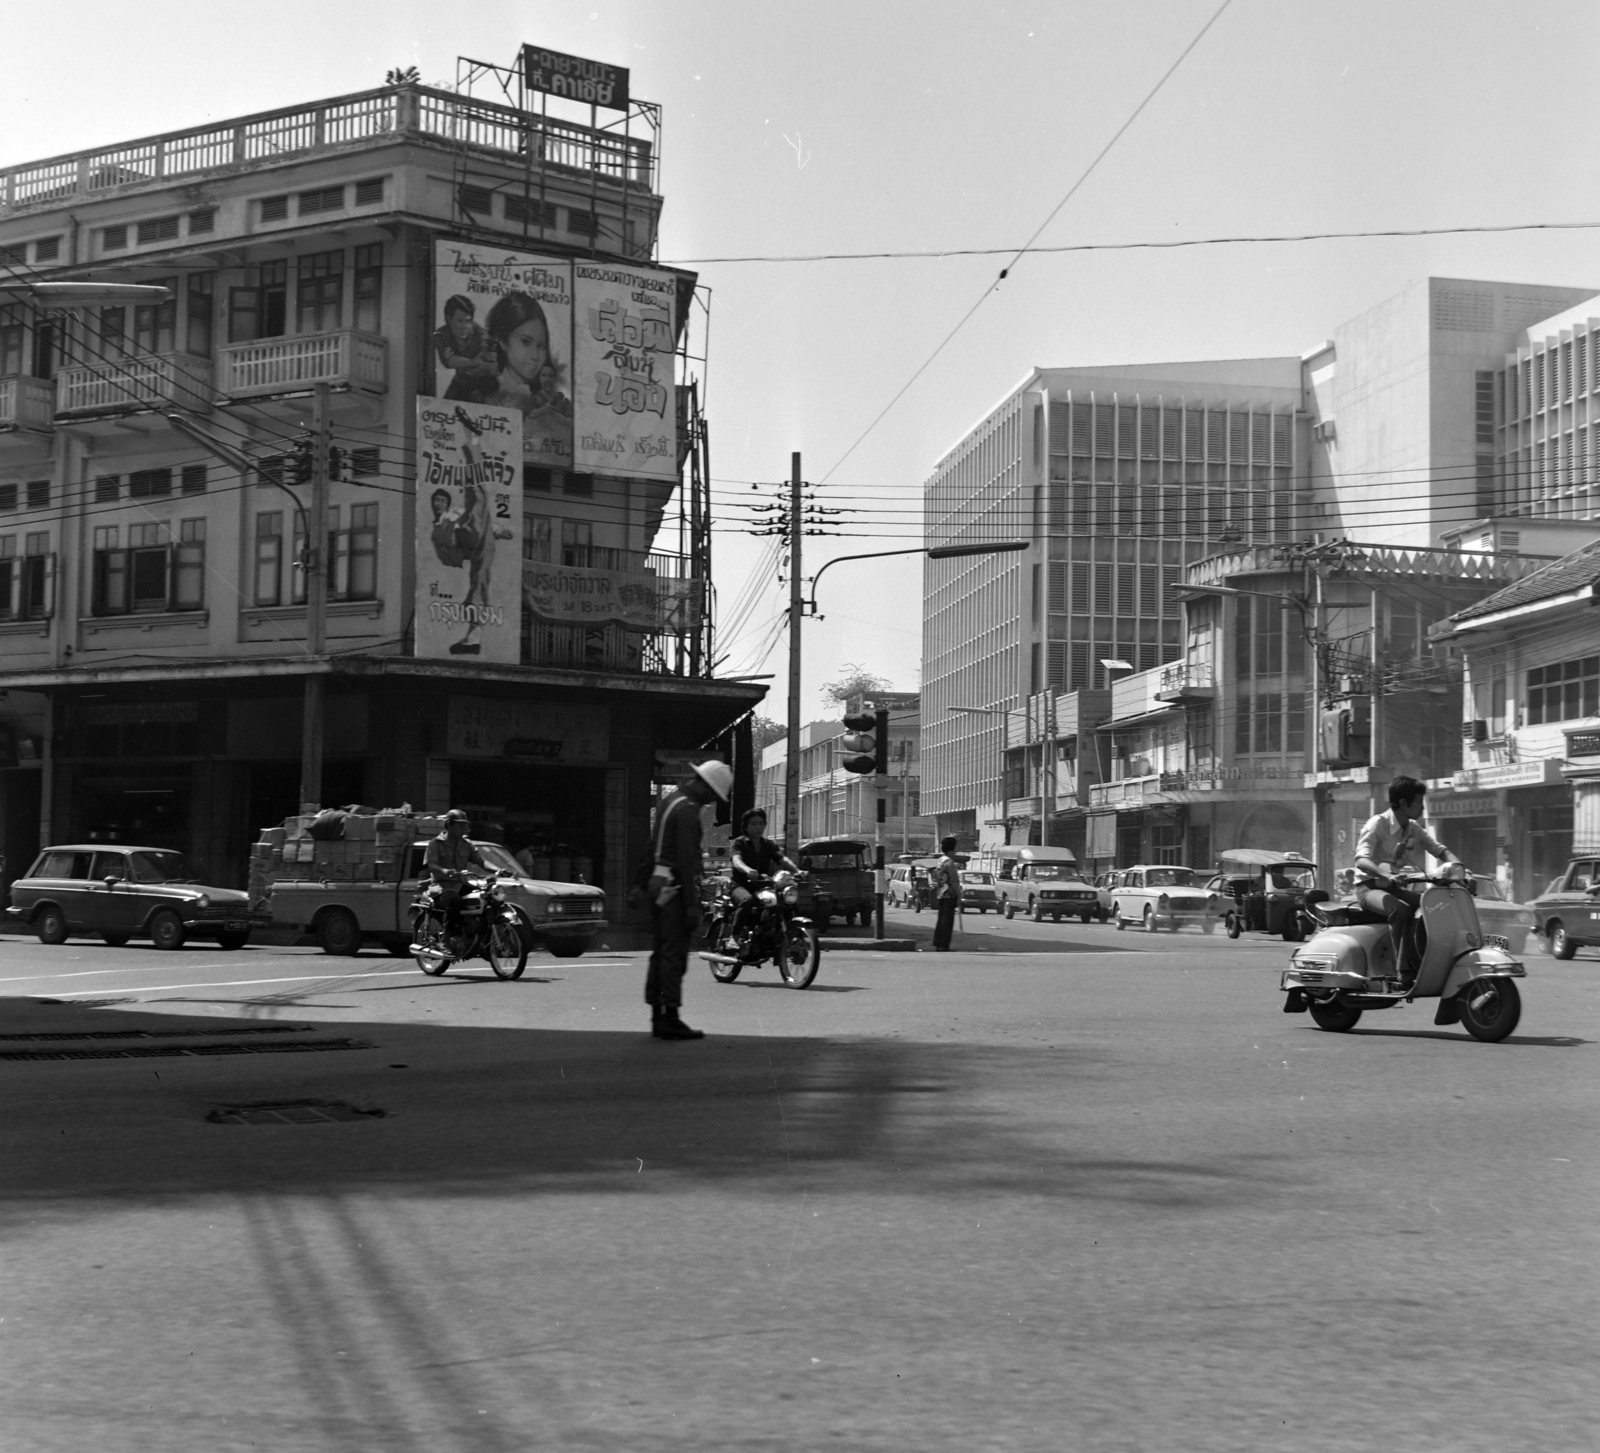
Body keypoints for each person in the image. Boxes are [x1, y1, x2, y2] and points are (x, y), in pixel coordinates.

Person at [646, 761, 733, 1040]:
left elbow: (652, 847)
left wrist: (639, 883)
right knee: (674, 955)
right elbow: (686, 860)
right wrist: (692, 905)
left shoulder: (670, 801)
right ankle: (670, 1018)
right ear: (704, 786)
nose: (710, 801)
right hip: (674, 886)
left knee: (661, 953)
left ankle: (658, 1016)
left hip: (658, 883)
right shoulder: (687, 811)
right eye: (712, 794)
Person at [1354, 776, 1462, 982]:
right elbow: (1361, 860)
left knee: (1429, 904)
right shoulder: (1377, 824)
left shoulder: (1412, 828)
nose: (1423, 808)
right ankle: (1401, 971)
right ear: (1403, 803)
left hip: (1392, 887)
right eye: (1419, 802)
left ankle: (1419, 958)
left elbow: (1440, 851)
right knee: (1401, 910)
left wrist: (1462, 871)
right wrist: (1385, 875)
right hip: (1368, 888)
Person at [482, 290, 574, 464]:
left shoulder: (551, 410)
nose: (535, 355)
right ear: (502, 341)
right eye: (526, 342)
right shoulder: (481, 400)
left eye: (541, 346)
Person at [727, 808, 797, 953]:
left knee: (786, 900)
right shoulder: (738, 843)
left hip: (761, 886)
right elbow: (736, 861)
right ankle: (734, 937)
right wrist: (747, 870)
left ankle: (790, 935)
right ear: (746, 826)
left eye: (760, 823)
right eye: (753, 824)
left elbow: (782, 858)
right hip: (740, 885)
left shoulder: (768, 845)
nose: (758, 827)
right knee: (747, 900)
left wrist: (798, 870)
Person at [424, 809, 488, 936]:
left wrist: (499, 870)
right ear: (449, 825)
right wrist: (445, 871)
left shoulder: (467, 844)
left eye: (465, 824)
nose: (464, 828)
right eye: (460, 824)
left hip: (461, 884)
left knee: (484, 897)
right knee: (455, 901)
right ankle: (446, 940)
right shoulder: (435, 844)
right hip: (441, 887)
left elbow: (481, 862)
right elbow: (432, 866)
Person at [432, 295, 499, 401]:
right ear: (449, 319)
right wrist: (474, 362)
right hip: (464, 384)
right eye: (460, 320)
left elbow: (485, 345)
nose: (465, 326)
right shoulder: (440, 334)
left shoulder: (478, 332)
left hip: (485, 383)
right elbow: (450, 360)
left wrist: (486, 355)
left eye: (468, 321)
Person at [932, 836, 961, 951]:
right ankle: (944, 945)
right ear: (951, 849)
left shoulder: (939, 861)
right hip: (949, 895)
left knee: (941, 919)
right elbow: (954, 881)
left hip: (940, 894)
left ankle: (938, 943)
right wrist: (959, 895)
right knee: (947, 921)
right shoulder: (950, 863)